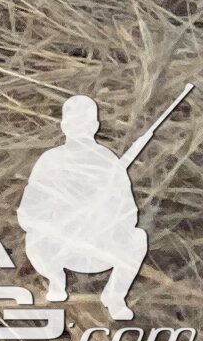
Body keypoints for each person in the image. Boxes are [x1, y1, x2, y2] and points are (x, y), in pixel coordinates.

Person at [19, 96, 151, 319]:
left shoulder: (108, 161)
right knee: (34, 238)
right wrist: (59, 219)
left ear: (95, 127)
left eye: (85, 124)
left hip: (100, 247)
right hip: (60, 248)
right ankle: (56, 281)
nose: (79, 129)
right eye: (74, 124)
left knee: (138, 238)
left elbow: (129, 213)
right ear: (64, 126)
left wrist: (104, 216)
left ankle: (115, 297)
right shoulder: (50, 160)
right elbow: (28, 213)